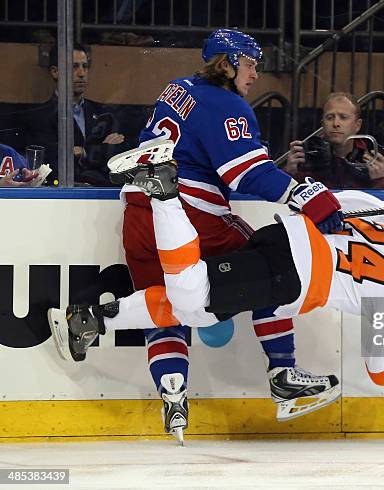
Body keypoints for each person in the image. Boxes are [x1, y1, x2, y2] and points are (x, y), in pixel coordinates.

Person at [49, 156, 384, 424]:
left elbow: (336, 201)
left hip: (281, 239)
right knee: (192, 298)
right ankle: (165, 196)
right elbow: (381, 370)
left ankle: (93, 321)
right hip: (291, 274)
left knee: (205, 309)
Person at [115, 29, 343, 442]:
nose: (256, 73)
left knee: (163, 304)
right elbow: (245, 173)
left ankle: (173, 395)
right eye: (250, 63)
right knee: (273, 264)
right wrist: (305, 193)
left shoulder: (178, 88)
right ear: (227, 63)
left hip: (138, 212)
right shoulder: (227, 104)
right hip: (191, 213)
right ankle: (282, 372)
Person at [21, 44, 127, 186]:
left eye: (85, 66)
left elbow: (120, 157)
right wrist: (101, 149)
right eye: (74, 66)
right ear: (55, 72)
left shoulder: (103, 112)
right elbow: (53, 164)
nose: (82, 73)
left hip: (104, 193)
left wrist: (82, 152)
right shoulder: (39, 117)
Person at [286, 92, 384, 189]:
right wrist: (289, 174)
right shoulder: (308, 156)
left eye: (343, 117)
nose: (336, 123)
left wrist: (381, 180)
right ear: (323, 124)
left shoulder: (371, 157)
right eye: (330, 117)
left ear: (357, 125)